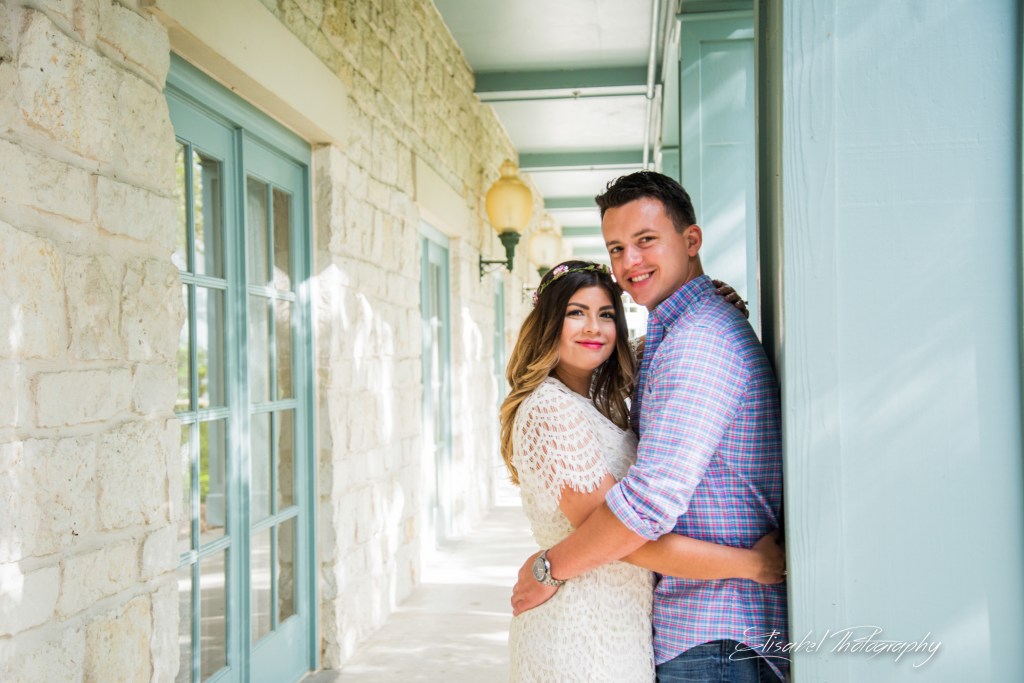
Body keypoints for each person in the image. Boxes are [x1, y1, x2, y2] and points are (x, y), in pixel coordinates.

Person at [511, 173, 788, 682]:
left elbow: (645, 506)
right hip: (640, 630)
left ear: (691, 240)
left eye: (645, 240)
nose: (630, 262)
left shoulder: (695, 340)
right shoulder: (672, 338)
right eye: (617, 248)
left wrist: (548, 567)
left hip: (712, 629)